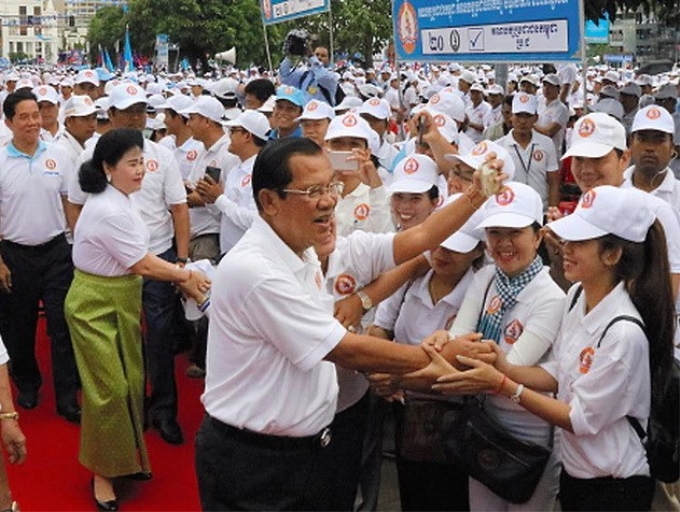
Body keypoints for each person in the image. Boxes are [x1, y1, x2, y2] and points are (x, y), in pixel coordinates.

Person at [194, 137, 506, 510]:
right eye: (312, 191)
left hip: (307, 449)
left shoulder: (303, 248)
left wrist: (476, 195)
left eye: (330, 186)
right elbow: (344, 348)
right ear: (269, 201)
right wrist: (442, 355)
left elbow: (420, 237)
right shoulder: (256, 270)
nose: (329, 200)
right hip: (257, 463)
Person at [421, 185, 673, 511]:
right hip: (577, 470)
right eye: (568, 239)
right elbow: (561, 370)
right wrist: (506, 368)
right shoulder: (576, 297)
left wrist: (502, 383)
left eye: (580, 242)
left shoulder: (622, 333)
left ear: (612, 255)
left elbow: (579, 418)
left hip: (614, 484)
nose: (565, 249)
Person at [65, 128, 210, 511]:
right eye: (132, 164)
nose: (141, 170)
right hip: (95, 305)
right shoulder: (108, 208)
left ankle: (127, 461)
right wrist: (186, 275)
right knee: (107, 389)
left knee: (130, 379)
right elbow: (142, 263)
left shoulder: (123, 198)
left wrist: (182, 272)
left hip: (120, 297)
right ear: (107, 168)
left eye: (142, 162)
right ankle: (101, 474)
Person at [370, 194, 486, 512]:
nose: (442, 252)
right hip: (407, 415)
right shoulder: (411, 279)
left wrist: (398, 377)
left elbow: (463, 364)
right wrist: (379, 371)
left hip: (456, 422)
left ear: (478, 250)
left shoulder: (479, 293)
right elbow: (380, 329)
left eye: (456, 246)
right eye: (438, 241)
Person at [0, 90, 81, 423]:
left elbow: (69, 202)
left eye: (36, 114)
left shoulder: (59, 155)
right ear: (9, 122)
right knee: (18, 327)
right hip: (14, 254)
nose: (33, 122)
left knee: (62, 324)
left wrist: (80, 246)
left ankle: (66, 397)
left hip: (56, 252)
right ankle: (28, 383)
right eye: (24, 117)